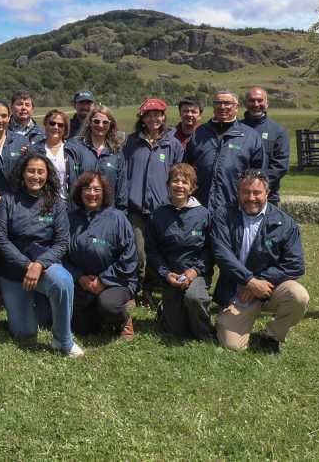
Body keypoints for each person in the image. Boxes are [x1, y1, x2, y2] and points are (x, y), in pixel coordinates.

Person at [0, 152, 82, 358]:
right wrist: (27, 264)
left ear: (47, 174)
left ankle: (63, 340)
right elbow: (0, 239)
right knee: (25, 333)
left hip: (44, 266)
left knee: (64, 281)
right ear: (22, 173)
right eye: (31, 171)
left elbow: (62, 242)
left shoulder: (57, 204)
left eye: (41, 172)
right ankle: (40, 308)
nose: (36, 176)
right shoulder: (8, 200)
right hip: (14, 271)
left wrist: (39, 264)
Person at [212, 169, 309, 353]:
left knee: (299, 297)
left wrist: (259, 282)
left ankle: (272, 335)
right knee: (233, 346)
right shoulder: (222, 215)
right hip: (238, 291)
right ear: (237, 192)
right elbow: (221, 254)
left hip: (271, 288)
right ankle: (230, 319)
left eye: (257, 192)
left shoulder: (285, 223)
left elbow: (295, 265)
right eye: (245, 192)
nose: (251, 198)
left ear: (267, 194)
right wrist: (249, 281)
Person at [123, 98, 184, 307]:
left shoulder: (172, 144)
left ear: (164, 117)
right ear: (142, 118)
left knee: (155, 253)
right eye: (149, 115)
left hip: (162, 208)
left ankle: (148, 290)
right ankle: (132, 289)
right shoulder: (131, 142)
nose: (153, 119)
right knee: (137, 253)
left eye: (157, 114)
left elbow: (179, 176)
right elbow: (124, 172)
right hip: (136, 208)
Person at [64, 172, 137, 339]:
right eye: (87, 189)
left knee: (108, 305)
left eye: (97, 189)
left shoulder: (118, 218)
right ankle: (100, 316)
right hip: (83, 283)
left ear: (104, 193)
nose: (92, 194)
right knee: (81, 327)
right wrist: (80, 277)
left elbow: (129, 258)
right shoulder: (70, 219)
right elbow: (62, 255)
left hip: (116, 281)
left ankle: (122, 319)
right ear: (79, 192)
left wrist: (103, 281)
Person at [145, 163, 212, 341]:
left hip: (196, 272)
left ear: (193, 188)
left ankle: (203, 332)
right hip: (171, 274)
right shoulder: (158, 215)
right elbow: (152, 251)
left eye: (185, 182)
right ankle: (166, 308)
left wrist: (195, 271)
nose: (180, 185)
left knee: (194, 298)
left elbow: (210, 250)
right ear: (168, 185)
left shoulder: (203, 215)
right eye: (175, 181)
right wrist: (166, 274)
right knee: (176, 331)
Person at [185, 90, 265, 220]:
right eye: (218, 103)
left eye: (227, 103)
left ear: (236, 107)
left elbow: (258, 173)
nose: (222, 107)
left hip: (234, 207)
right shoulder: (199, 133)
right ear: (213, 106)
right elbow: (187, 168)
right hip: (199, 206)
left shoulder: (250, 136)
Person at [68, 104, 128, 210]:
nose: (100, 125)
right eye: (96, 121)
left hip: (107, 213)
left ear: (110, 125)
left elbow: (121, 188)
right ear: (90, 122)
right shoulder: (76, 146)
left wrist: (121, 213)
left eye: (105, 122)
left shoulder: (116, 152)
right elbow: (72, 182)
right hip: (80, 212)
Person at [241, 87, 290, 204]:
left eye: (260, 100)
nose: (256, 104)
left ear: (267, 104)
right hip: (237, 194)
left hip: (267, 196)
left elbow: (280, 166)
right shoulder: (235, 129)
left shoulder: (278, 131)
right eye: (252, 100)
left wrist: (257, 186)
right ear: (245, 103)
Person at [30, 109, 84, 200]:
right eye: (52, 123)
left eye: (60, 125)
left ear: (65, 128)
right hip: (40, 204)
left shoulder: (74, 151)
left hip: (67, 205)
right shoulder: (33, 150)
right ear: (45, 125)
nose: (56, 127)